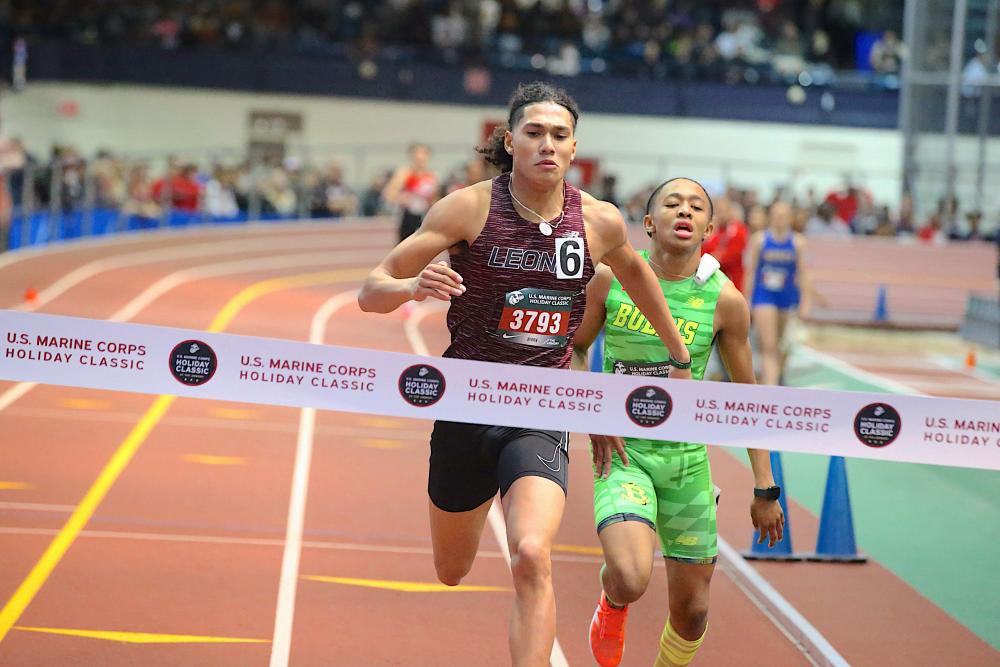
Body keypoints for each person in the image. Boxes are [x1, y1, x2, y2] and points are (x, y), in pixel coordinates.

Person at [358, 81, 693, 667]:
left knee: (532, 554)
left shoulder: (598, 221)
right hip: (465, 405)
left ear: (573, 146)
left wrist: (679, 355)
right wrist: (413, 285)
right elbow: (371, 290)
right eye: (534, 133)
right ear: (510, 141)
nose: (547, 145)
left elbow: (639, 278)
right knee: (451, 570)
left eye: (559, 135)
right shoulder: (469, 207)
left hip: (543, 409)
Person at [573, 177, 784, 667]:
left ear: (709, 228)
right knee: (629, 574)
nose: (683, 210)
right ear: (648, 223)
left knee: (692, 611)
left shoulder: (725, 301)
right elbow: (576, 350)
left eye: (696, 206)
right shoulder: (611, 278)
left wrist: (764, 484)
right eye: (671, 203)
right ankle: (613, 604)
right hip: (623, 452)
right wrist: (594, 406)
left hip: (687, 462)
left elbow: (746, 395)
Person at [744, 200, 813, 386]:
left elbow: (804, 274)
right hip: (764, 295)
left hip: (786, 297)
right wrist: (745, 300)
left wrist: (805, 302)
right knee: (769, 347)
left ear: (790, 218)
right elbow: (750, 272)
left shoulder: (798, 242)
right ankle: (770, 390)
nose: (779, 219)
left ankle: (776, 380)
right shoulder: (759, 240)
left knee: (782, 346)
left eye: (783, 215)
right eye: (775, 215)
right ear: (770, 217)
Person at [382, 142, 439, 242]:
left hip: (425, 217)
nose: (421, 157)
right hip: (407, 217)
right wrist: (403, 198)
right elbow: (388, 194)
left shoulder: (432, 176)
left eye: (424, 154)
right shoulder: (405, 173)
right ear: (412, 156)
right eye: (418, 153)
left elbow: (435, 199)